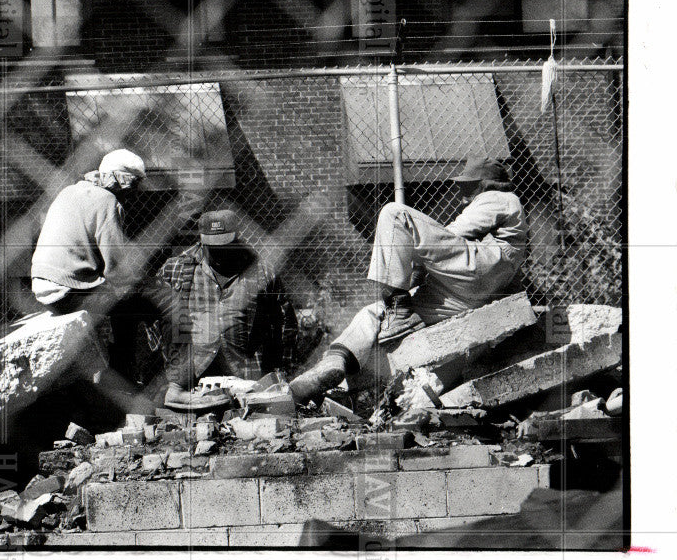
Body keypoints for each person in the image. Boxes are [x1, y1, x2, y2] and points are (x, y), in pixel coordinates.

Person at [289, 155, 528, 405]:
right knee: (373, 312)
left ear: (486, 184)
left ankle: (398, 308)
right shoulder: (500, 205)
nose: (462, 195)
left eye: (468, 186)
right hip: (464, 295)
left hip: (484, 267)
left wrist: (408, 265)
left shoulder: (501, 198)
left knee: (394, 214)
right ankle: (333, 363)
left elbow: (453, 235)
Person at [151, 209, 298, 411]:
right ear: (201, 240)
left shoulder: (261, 270)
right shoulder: (176, 269)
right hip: (192, 379)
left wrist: (281, 370)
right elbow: (153, 318)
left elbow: (285, 322)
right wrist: (168, 363)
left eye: (226, 245)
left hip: (245, 373)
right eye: (213, 246)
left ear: (238, 237)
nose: (220, 252)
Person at [30, 149, 146, 315]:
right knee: (157, 296)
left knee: (125, 296)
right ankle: (125, 342)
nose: (133, 194)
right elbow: (116, 269)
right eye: (133, 185)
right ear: (121, 181)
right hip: (68, 292)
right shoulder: (107, 200)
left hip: (43, 288)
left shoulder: (69, 191)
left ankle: (121, 340)